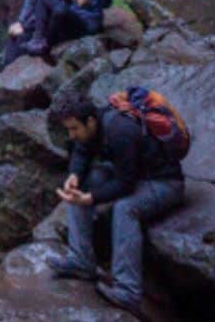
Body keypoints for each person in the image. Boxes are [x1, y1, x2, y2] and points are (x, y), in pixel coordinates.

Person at [50, 91, 186, 314]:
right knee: (82, 183)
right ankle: (81, 260)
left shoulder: (120, 131)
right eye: (68, 129)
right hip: (136, 173)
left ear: (90, 121)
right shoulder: (95, 125)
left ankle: (129, 291)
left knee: (125, 208)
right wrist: (74, 175)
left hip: (165, 182)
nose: (71, 134)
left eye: (74, 128)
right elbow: (82, 151)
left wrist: (90, 198)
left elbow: (126, 185)